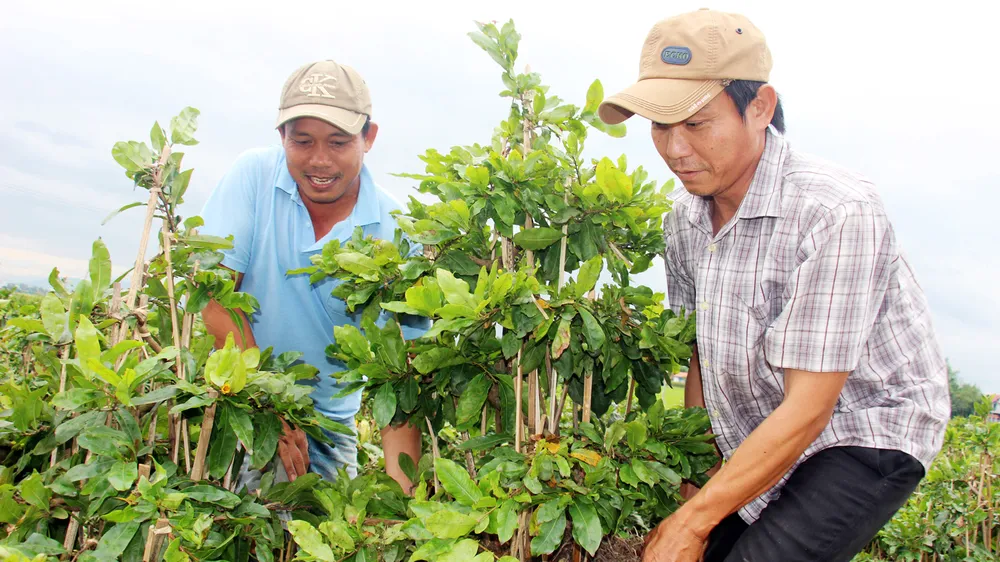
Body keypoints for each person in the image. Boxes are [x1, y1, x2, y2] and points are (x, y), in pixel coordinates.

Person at [598, 9, 950, 562]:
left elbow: (810, 406)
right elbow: (701, 357)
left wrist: (693, 522)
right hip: (762, 429)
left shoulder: (837, 211)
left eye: (694, 123)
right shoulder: (683, 219)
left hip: (861, 428)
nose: (674, 149)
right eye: (659, 125)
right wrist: (698, 479)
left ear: (759, 108)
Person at [198, 59, 425, 493]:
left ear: (368, 138)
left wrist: (404, 503)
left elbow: (402, 379)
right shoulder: (253, 176)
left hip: (328, 424)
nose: (319, 161)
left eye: (339, 142)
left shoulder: (398, 232)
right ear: (281, 137)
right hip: (242, 399)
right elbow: (215, 300)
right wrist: (270, 406)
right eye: (302, 141)